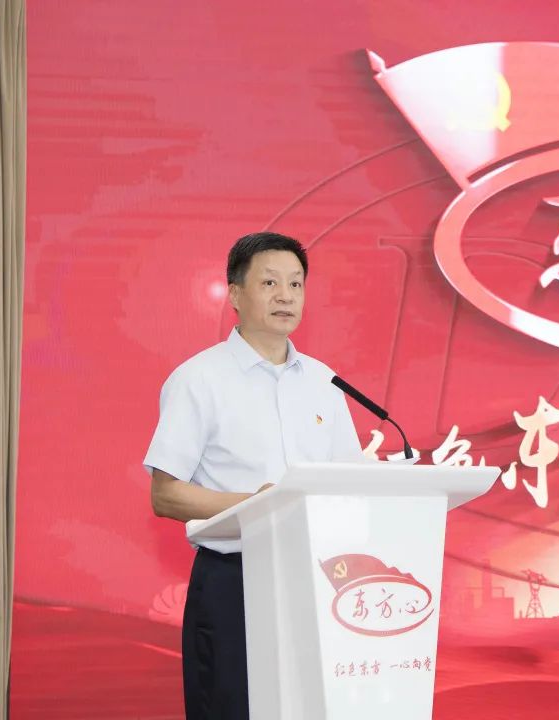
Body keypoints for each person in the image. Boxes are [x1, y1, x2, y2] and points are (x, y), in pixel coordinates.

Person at [143, 232, 365, 720]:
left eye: (295, 284)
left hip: (318, 580)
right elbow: (166, 494)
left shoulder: (326, 383)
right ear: (235, 294)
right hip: (234, 581)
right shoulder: (199, 379)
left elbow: (349, 482)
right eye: (269, 283)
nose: (285, 296)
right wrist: (257, 503)